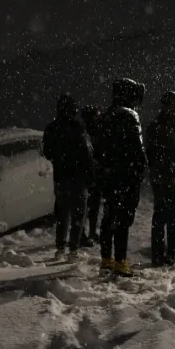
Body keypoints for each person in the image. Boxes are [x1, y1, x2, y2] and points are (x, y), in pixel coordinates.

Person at [95, 78, 147, 277]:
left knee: (109, 218)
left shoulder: (106, 116)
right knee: (124, 220)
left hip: (110, 178)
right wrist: (139, 173)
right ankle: (120, 261)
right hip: (127, 177)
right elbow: (137, 150)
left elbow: (98, 149)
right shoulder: (130, 116)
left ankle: (106, 259)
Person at [42, 93, 95, 261]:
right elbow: (87, 153)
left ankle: (60, 248)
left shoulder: (52, 128)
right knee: (78, 215)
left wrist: (60, 158)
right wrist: (90, 174)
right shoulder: (77, 127)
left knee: (62, 214)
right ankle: (73, 249)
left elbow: (47, 152)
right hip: (78, 178)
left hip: (60, 177)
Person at [145, 91, 175, 266]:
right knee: (161, 216)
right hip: (163, 178)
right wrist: (167, 166)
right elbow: (152, 154)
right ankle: (158, 254)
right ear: (165, 105)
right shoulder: (156, 126)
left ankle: (173, 249)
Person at [79, 105, 104, 247]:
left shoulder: (96, 130)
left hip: (95, 173)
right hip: (88, 174)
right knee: (85, 208)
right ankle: (82, 234)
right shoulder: (83, 132)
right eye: (96, 115)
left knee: (93, 206)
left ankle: (92, 232)